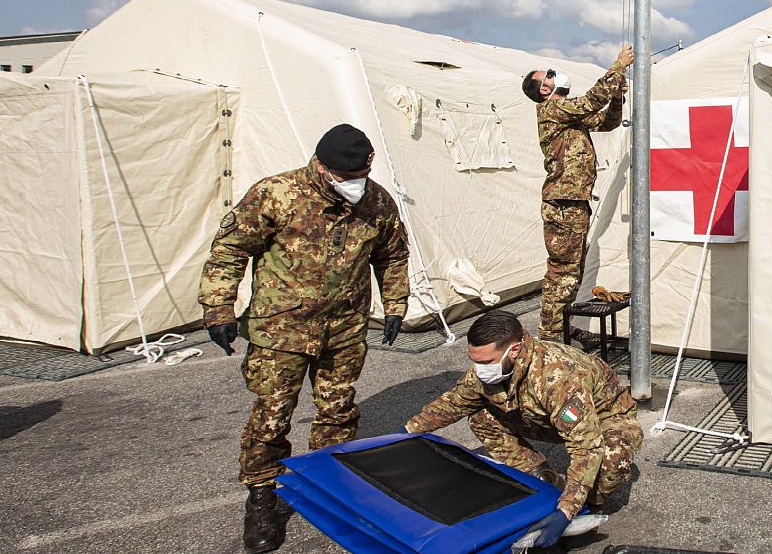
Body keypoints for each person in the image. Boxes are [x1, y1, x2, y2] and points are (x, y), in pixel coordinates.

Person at [199, 123, 410, 554]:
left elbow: (392, 255)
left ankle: (330, 485)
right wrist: (218, 307)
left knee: (337, 412)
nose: (355, 185)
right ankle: (262, 496)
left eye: (361, 177)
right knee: (273, 415)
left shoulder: (375, 201)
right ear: (323, 167)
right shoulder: (276, 193)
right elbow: (230, 248)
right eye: (347, 177)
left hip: (345, 330)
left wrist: (396, 304)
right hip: (281, 331)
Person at [402, 309, 642, 548]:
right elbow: (455, 402)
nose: (479, 369)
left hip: (603, 420)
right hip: (546, 418)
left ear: (514, 350)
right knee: (480, 416)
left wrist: (567, 510)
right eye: (474, 360)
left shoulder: (559, 376)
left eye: (485, 362)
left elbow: (586, 446)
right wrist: (407, 432)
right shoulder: (489, 368)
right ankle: (542, 479)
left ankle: (587, 505)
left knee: (611, 462)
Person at [524, 46, 633, 342]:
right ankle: (550, 337)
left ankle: (560, 327)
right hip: (563, 204)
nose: (552, 74)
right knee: (562, 273)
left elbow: (607, 122)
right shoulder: (553, 109)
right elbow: (590, 101)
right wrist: (618, 66)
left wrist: (618, 96)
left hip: (574, 202)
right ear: (544, 89)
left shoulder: (567, 117)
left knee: (571, 271)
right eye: (546, 75)